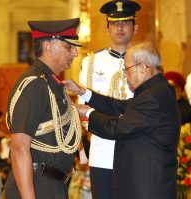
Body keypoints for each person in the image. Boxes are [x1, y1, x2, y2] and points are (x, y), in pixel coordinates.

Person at [63, 41, 181, 199]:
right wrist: (83, 93)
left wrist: (88, 113)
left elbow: (119, 128)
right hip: (146, 184)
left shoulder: (153, 96)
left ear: (142, 67)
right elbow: (120, 107)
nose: (124, 75)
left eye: (126, 69)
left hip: (148, 188)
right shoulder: (155, 90)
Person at [4, 18, 82, 199]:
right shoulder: (36, 84)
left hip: (50, 185)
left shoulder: (49, 82)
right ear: (48, 46)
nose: (75, 53)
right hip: (36, 184)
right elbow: (19, 147)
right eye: (69, 47)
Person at [79, 0, 141, 198]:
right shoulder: (91, 62)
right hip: (103, 152)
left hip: (138, 152)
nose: (120, 27)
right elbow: (83, 112)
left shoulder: (147, 61)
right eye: (114, 23)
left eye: (125, 22)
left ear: (135, 27)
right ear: (107, 28)